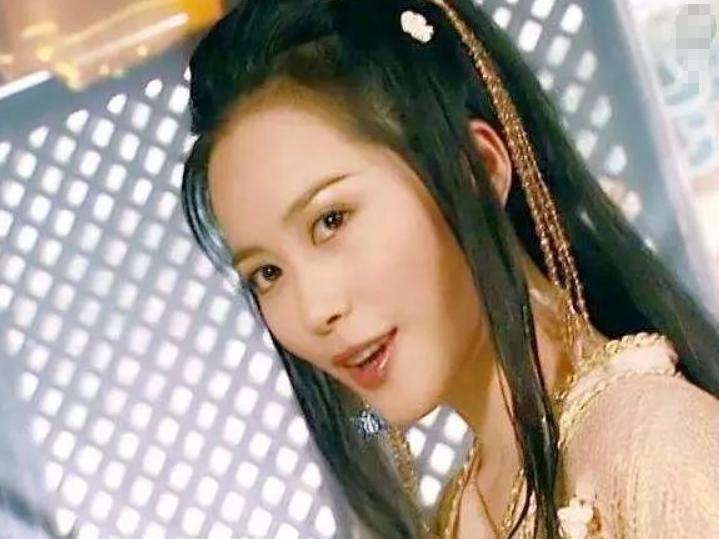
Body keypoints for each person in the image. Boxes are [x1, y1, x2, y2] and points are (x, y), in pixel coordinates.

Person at [180, 0, 719, 537]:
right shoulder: (461, 510)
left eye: (331, 220)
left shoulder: (661, 453)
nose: (314, 310)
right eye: (267, 273)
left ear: (477, 169)